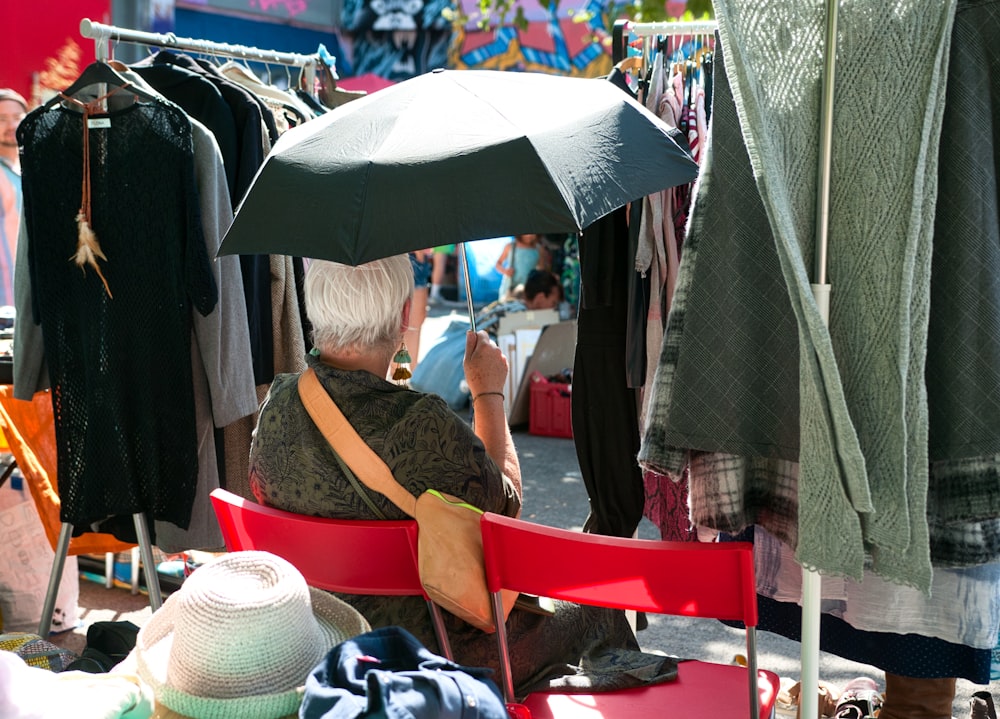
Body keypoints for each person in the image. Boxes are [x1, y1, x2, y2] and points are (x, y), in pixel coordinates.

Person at [248, 255, 677, 698]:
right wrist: (488, 393)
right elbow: (504, 510)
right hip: (430, 649)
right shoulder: (421, 424)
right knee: (599, 601)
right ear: (401, 317)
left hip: (318, 634)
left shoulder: (277, 406)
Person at [410, 270, 564, 410]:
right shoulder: (524, 318)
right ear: (540, 298)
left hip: (447, 355)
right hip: (465, 370)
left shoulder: (504, 303)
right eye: (553, 303)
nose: (554, 309)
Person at [0, 89, 26, 307]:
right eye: (2, 119)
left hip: (26, 295)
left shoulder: (33, 169)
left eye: (17, 117)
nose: (11, 126)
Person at [495, 233, 551, 302]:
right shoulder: (510, 246)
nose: (529, 236)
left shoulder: (539, 249)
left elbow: (541, 271)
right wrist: (505, 271)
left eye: (533, 234)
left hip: (528, 289)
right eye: (527, 233)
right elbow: (498, 264)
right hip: (510, 287)